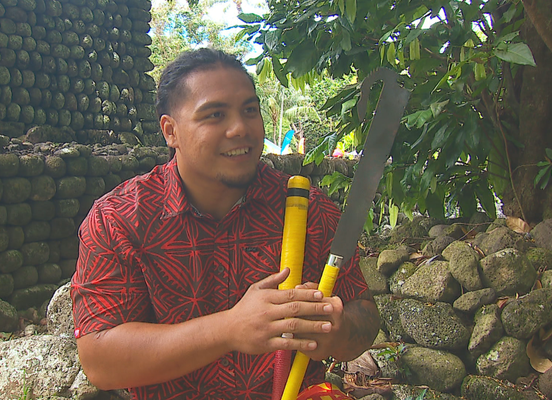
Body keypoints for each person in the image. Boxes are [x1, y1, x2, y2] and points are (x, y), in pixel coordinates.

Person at [71, 48, 380, 400]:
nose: (241, 129)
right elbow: (100, 361)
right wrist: (229, 329)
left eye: (250, 111)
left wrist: (336, 333)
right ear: (170, 131)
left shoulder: (308, 210)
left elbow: (364, 313)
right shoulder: (120, 219)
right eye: (215, 115)